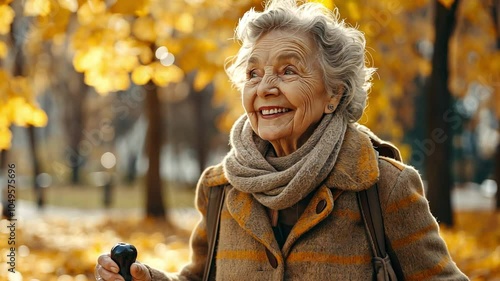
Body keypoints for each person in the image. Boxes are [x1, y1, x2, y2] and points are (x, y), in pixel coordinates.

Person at [95, 0, 469, 280]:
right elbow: (199, 277)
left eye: (288, 70)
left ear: (334, 94)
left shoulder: (385, 187)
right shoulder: (220, 188)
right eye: (254, 74)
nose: (266, 87)